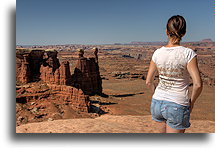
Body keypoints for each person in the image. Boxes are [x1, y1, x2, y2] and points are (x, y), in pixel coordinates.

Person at [146, 15, 203, 133]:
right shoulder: (188, 54)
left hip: (157, 102)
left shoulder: (157, 53)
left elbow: (148, 82)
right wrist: (191, 103)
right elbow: (197, 84)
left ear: (166, 31)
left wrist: (157, 95)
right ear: (184, 33)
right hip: (177, 104)